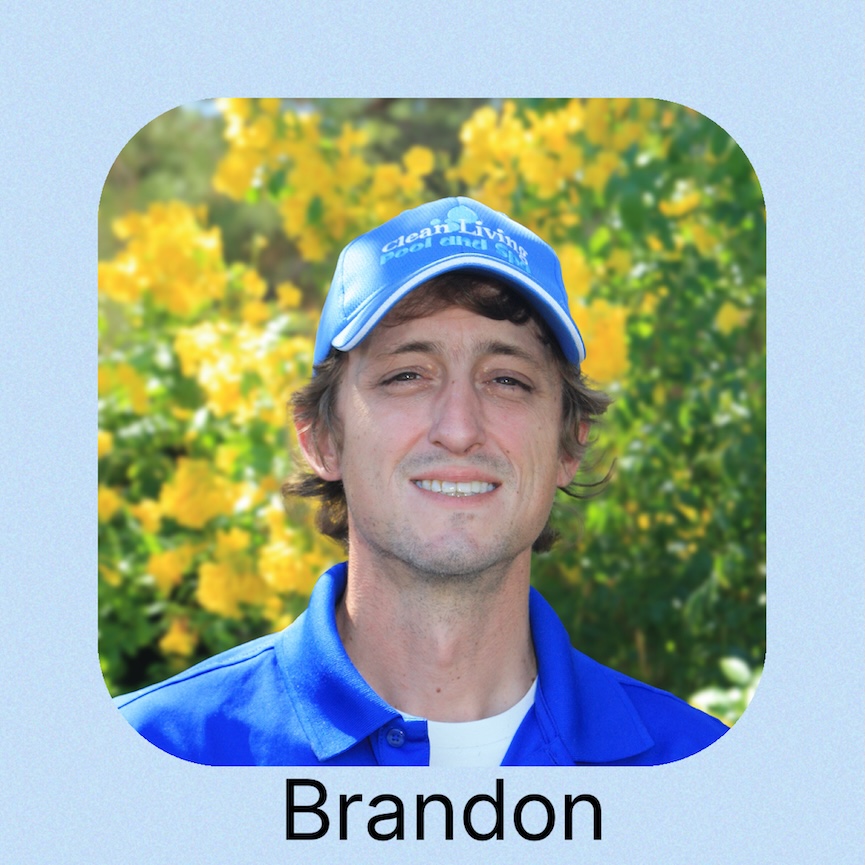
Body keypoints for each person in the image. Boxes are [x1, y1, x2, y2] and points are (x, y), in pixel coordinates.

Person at [115, 197, 728, 766]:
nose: (459, 429)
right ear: (322, 438)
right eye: (407, 376)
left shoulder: (699, 769)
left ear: (570, 444)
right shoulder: (154, 755)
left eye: (507, 380)